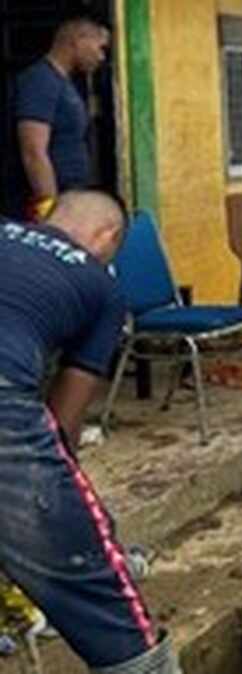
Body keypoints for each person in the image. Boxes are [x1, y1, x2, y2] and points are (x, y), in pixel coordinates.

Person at [0, 191, 182, 673]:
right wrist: (56, 512)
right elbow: (63, 419)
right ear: (108, 237)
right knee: (99, 591)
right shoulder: (101, 287)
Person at [15, 16, 110, 221]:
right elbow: (33, 152)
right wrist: (49, 211)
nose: (102, 56)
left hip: (70, 199)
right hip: (53, 207)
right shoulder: (40, 80)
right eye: (100, 47)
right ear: (78, 40)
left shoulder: (65, 83)